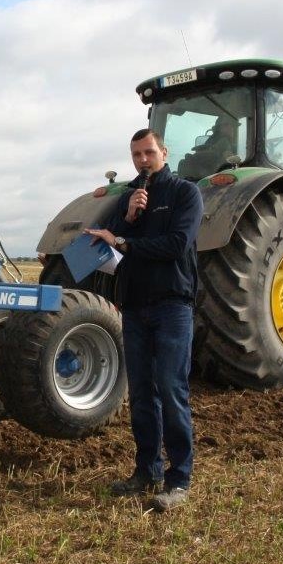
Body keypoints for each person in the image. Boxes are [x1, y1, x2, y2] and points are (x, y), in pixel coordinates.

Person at [84, 128, 203, 512]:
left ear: (164, 152)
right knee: (141, 394)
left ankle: (179, 479)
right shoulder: (129, 198)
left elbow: (176, 245)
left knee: (171, 389)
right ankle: (146, 471)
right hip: (134, 307)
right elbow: (112, 244)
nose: (142, 160)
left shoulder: (185, 193)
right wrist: (129, 220)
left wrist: (125, 242)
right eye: (136, 154)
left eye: (149, 152)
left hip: (172, 306)